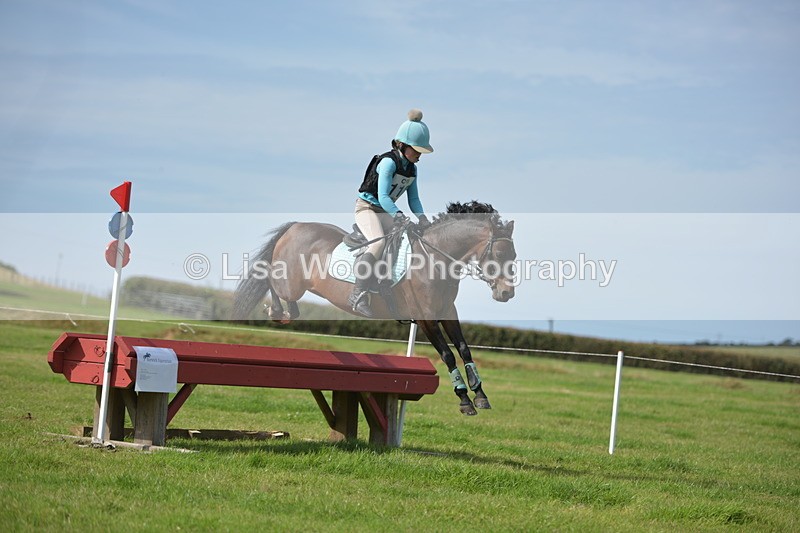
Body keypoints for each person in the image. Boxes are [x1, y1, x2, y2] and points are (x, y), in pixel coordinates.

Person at [348, 109, 433, 317]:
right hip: (367, 208)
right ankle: (357, 294)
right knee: (378, 242)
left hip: (387, 212)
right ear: (402, 145)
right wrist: (399, 215)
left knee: (405, 242)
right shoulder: (387, 162)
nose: (419, 155)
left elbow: (413, 199)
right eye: (417, 150)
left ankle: (385, 284)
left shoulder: (412, 169)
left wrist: (422, 218)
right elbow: (383, 196)